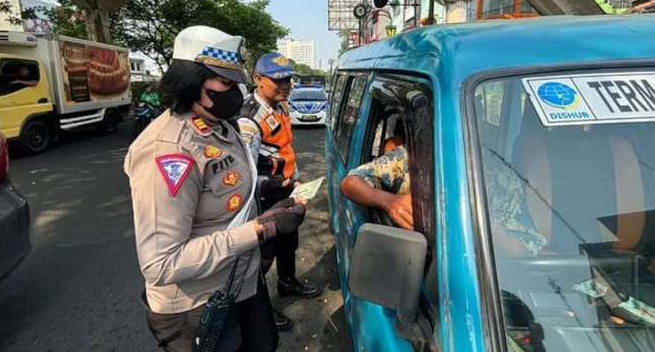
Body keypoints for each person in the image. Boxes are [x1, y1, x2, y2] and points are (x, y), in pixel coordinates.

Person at [124, 26, 308, 352]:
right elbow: (161, 263)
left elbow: (227, 184)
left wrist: (267, 187)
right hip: (197, 304)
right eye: (225, 82)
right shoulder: (168, 149)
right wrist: (260, 230)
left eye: (236, 82)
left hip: (241, 281)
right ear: (191, 80)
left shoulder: (219, 125)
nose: (235, 92)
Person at [340, 128, 548, 256]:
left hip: (486, 280)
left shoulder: (499, 175)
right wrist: (389, 201)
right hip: (416, 266)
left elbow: (527, 246)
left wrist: (489, 232)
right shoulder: (407, 158)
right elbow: (349, 184)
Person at [238, 52, 322, 332]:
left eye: (288, 79)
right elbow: (246, 173)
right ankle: (256, 309)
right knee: (262, 257)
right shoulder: (249, 119)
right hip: (264, 198)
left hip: (285, 190)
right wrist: (274, 185)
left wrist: (295, 180)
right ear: (258, 80)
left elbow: (285, 149)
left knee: (289, 243)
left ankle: (287, 283)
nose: (285, 85)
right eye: (278, 80)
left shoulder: (281, 107)